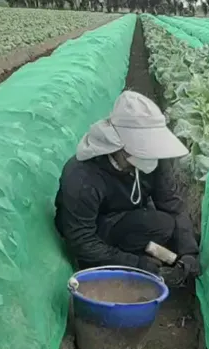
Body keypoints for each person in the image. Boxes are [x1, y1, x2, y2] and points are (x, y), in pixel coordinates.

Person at [55, 90, 201, 286]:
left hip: (126, 219)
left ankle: (148, 252)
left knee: (163, 224)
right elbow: (82, 240)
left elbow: (172, 204)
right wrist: (138, 264)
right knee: (147, 233)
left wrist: (188, 252)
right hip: (96, 231)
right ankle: (121, 264)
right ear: (120, 146)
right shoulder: (82, 176)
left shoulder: (153, 162)